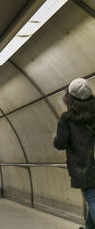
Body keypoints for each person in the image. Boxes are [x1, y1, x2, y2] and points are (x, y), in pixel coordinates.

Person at [54, 78, 95, 229]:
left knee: (92, 198)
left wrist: (56, 138)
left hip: (83, 168)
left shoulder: (67, 118)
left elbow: (60, 143)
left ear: (69, 98)